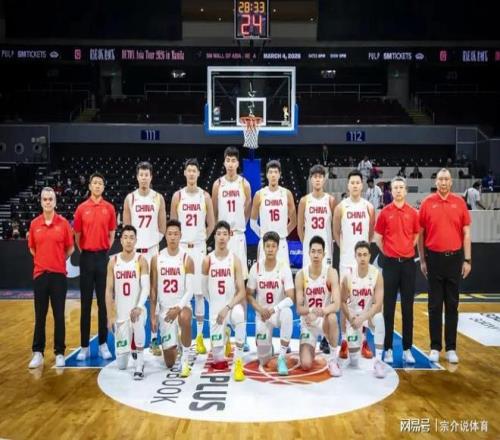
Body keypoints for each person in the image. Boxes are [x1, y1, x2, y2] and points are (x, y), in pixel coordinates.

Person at [418, 169, 472, 364]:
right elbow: (420, 235)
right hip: (434, 259)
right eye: (440, 179)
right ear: (436, 182)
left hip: (454, 259)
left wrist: (467, 260)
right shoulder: (427, 203)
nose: (443, 182)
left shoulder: (460, 202)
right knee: (434, 305)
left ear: (451, 182)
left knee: (452, 305)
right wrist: (422, 260)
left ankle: (451, 348)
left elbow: (466, 233)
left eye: (446, 179)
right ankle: (435, 347)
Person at [171, 158, 215, 355]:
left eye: (194, 171)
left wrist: (201, 237)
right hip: (181, 248)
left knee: (198, 293)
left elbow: (211, 223)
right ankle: (180, 337)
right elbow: (173, 225)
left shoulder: (205, 196)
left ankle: (199, 337)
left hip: (198, 248)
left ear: (198, 173)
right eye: (188, 170)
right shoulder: (177, 196)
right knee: (180, 293)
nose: (191, 174)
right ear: (185, 173)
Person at [374, 177, 420, 364]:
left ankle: (407, 349)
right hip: (390, 264)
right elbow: (378, 238)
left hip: (408, 264)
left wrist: (407, 248)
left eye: (401, 187)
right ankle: (388, 349)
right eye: (395, 188)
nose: (399, 190)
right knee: (389, 308)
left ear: (406, 191)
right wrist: (389, 252)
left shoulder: (413, 213)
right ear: (391, 191)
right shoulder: (385, 212)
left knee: (408, 308)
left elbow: (416, 235)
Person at [123, 161, 166, 355]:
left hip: (152, 250)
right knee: (135, 294)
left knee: (154, 293)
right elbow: (127, 229)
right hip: (135, 253)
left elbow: (162, 228)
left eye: (146, 175)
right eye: (141, 175)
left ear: (151, 177)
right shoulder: (130, 198)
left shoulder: (158, 198)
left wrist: (151, 243)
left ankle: (155, 339)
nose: (144, 178)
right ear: (137, 177)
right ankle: (134, 339)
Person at [28, 187, 74, 369]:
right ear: (41, 202)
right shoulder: (34, 224)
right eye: (45, 199)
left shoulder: (63, 223)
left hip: (58, 276)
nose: (47, 202)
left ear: (55, 201)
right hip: (40, 275)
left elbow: (70, 248)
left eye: (50, 199)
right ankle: (38, 353)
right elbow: (32, 248)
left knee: (59, 316)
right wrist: (43, 260)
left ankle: (59, 352)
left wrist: (58, 260)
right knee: (40, 316)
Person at [333, 170, 376, 359]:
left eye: (358, 182)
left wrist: (363, 254)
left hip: (363, 262)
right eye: (352, 182)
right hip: (346, 261)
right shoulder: (341, 207)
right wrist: (344, 249)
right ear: (348, 185)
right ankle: (344, 341)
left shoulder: (369, 207)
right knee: (345, 301)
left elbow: (370, 234)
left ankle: (364, 341)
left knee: (364, 300)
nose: (355, 185)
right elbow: (336, 232)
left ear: (362, 185)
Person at [74, 172, 116, 361]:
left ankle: (102, 344)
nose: (98, 185)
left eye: (100, 183)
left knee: (103, 303)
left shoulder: (109, 208)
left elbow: (112, 233)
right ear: (90, 186)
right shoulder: (81, 208)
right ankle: (84, 346)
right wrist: (86, 250)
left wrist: (103, 251)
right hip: (86, 258)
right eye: (95, 183)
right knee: (85, 303)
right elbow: (77, 235)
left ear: (103, 187)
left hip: (102, 258)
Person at [202, 221, 247, 381]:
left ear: (229, 236)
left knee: (240, 315)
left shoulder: (235, 260)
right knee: (219, 362)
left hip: (231, 307)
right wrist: (215, 307)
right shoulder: (207, 260)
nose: (221, 237)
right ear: (214, 236)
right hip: (216, 311)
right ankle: (225, 335)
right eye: (219, 233)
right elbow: (204, 290)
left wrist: (227, 307)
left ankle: (239, 363)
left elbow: (242, 292)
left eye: (225, 234)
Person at [150, 220, 194, 377]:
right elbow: (153, 289)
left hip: (182, 306)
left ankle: (186, 359)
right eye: (170, 234)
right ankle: (176, 344)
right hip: (164, 311)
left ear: (180, 235)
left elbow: (190, 291)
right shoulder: (157, 258)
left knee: (185, 317)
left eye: (176, 234)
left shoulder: (187, 259)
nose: (173, 237)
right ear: (166, 236)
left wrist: (178, 308)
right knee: (169, 363)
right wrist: (153, 315)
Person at [246, 232, 294, 375]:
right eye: (268, 246)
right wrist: (260, 309)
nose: (270, 249)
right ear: (263, 248)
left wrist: (274, 309)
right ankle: (266, 345)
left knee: (288, 313)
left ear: (278, 248)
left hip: (277, 313)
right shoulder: (256, 268)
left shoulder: (284, 267)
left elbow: (291, 298)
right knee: (264, 360)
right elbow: (249, 294)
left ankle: (282, 357)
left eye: (273, 246)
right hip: (262, 315)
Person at [105, 225, 149, 380]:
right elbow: (108, 291)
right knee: (122, 365)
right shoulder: (113, 261)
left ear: (136, 240)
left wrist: (139, 306)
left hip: (137, 311)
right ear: (121, 240)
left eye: (132, 238)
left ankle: (140, 364)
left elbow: (146, 288)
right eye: (125, 237)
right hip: (121, 315)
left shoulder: (141, 260)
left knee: (137, 318)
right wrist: (110, 316)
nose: (129, 241)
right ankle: (132, 347)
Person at [295, 236, 342, 377]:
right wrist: (310, 311)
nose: (316, 255)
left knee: (333, 317)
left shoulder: (331, 273)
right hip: (308, 323)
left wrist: (320, 312)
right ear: (308, 253)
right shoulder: (301, 275)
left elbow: (337, 304)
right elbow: (299, 308)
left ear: (324, 254)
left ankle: (333, 360)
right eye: (313, 251)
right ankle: (310, 347)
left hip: (324, 321)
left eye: (319, 252)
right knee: (306, 365)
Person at [340, 241, 386, 378]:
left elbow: (378, 304)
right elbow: (342, 302)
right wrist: (351, 318)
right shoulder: (348, 276)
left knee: (379, 318)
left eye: (365, 254)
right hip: (354, 319)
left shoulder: (377, 275)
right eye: (359, 255)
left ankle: (378, 362)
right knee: (354, 360)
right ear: (355, 256)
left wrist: (363, 318)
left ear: (370, 256)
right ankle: (354, 345)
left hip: (369, 316)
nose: (362, 258)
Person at [212, 147, 252, 280]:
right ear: (224, 163)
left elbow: (248, 208)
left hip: (238, 235)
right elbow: (214, 210)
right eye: (228, 160)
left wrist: (240, 223)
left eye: (233, 161)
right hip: (223, 236)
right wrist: (220, 230)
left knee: (240, 277)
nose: (230, 164)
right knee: (222, 276)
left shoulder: (244, 184)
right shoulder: (217, 184)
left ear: (238, 163)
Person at [250, 160, 297, 266]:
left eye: (276, 172)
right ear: (267, 175)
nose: (273, 175)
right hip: (265, 243)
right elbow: (252, 223)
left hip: (281, 242)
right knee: (263, 273)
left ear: (280, 174)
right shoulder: (259, 194)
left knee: (283, 274)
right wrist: (263, 235)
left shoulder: (286, 194)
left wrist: (283, 234)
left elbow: (294, 221)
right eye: (270, 172)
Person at [297, 164, 336, 270]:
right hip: (309, 246)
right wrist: (305, 244)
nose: (318, 179)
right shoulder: (304, 201)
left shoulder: (331, 200)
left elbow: (335, 226)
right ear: (310, 179)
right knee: (308, 276)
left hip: (326, 247)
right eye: (315, 177)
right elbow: (299, 228)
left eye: (320, 177)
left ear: (324, 179)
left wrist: (331, 240)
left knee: (326, 276)